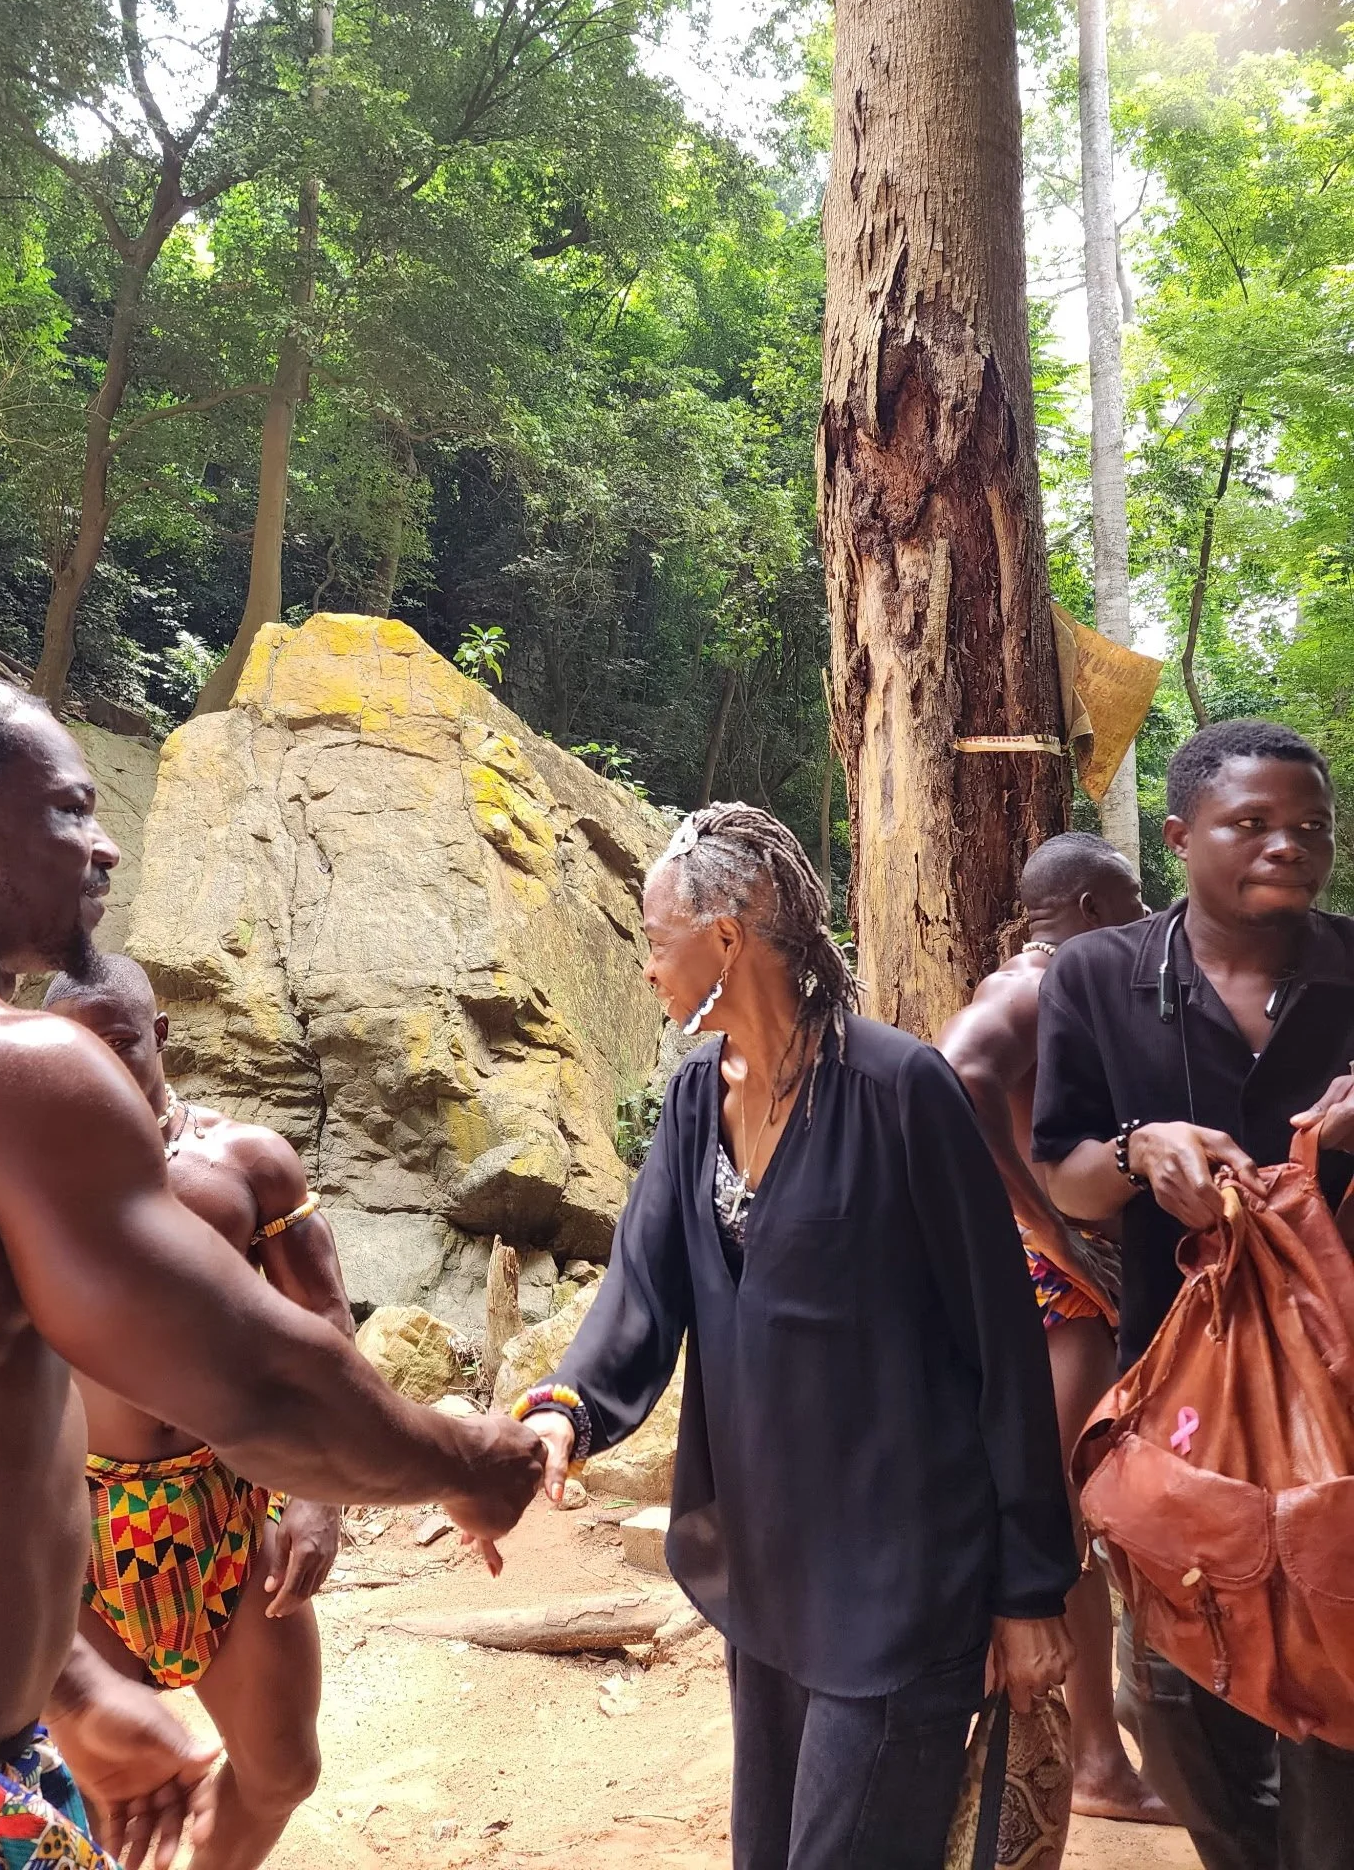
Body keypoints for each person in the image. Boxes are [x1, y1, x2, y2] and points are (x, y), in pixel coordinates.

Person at [0, 669, 545, 1870]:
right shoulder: (9, 1070)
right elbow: (261, 1383)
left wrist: (66, 1686)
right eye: (67, 809)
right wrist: (473, 1460)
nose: (104, 846)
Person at [516, 801, 1079, 1870]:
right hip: (769, 1584)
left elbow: (1004, 1345)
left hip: (903, 1587)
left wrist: (1029, 1585)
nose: (646, 969)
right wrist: (561, 1413)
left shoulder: (899, 1089)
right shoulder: (690, 1106)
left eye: (653, 940)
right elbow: (638, 1295)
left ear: (727, 932)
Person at [1033, 719, 1354, 1870]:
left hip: (1342, 1394)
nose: (1289, 845)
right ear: (1178, 837)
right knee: (1174, 1688)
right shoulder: (1101, 976)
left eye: (1310, 826)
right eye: (1253, 823)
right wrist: (1140, 1149)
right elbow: (1063, 1167)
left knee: (1335, 1677)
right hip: (1175, 1387)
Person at [43, 956, 347, 1870]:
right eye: (75, 1051)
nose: (99, 1066)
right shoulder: (25, 1178)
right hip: (86, 1525)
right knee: (107, 1794)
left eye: (121, 1044)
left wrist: (315, 1495)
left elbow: (322, 1322)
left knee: (283, 1768)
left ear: (162, 1037)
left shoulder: (246, 1164)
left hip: (226, 1504)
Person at [938, 831, 1175, 1828]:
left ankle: (1107, 1746)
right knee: (1060, 1513)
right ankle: (1091, 1759)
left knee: (1077, 1509)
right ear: (1082, 903)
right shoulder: (1032, 985)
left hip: (1074, 1277)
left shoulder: (1070, 986)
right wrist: (1049, 1219)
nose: (1144, 916)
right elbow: (959, 1074)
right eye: (1128, 900)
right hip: (1054, 1287)